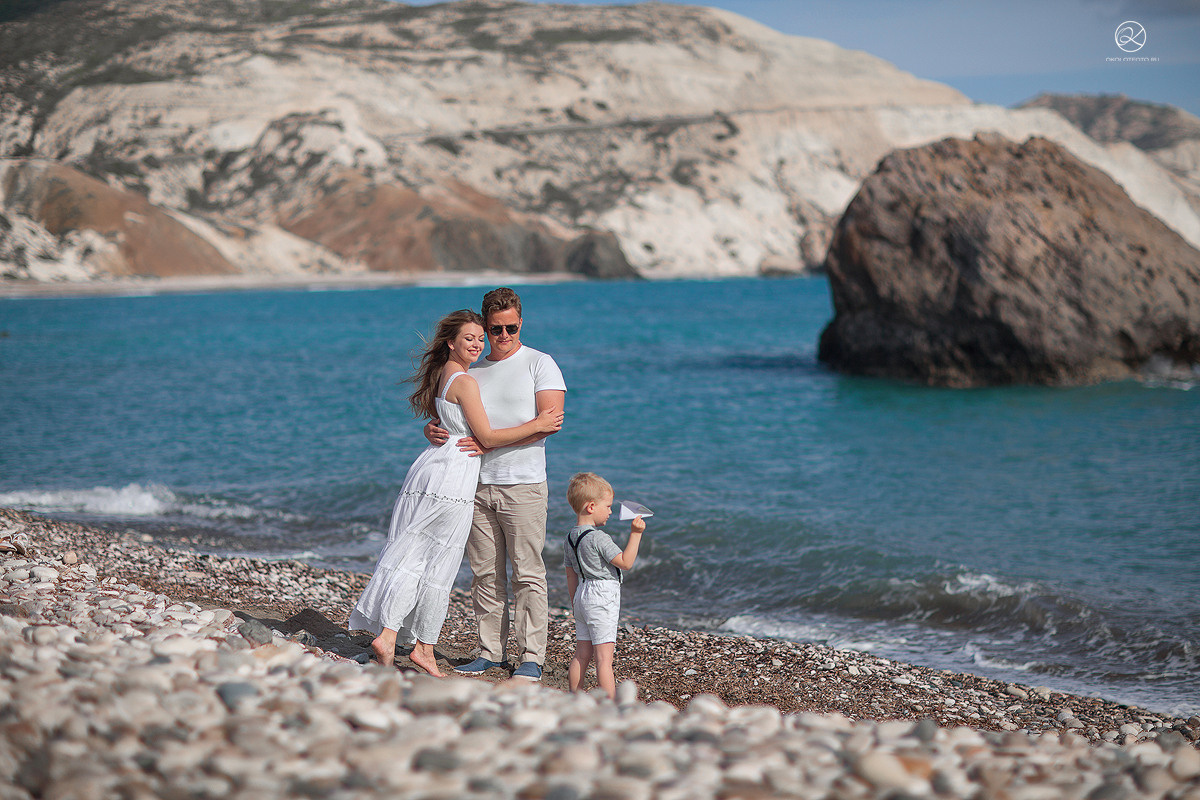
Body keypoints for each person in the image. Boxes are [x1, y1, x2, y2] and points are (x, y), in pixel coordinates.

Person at [349, 310, 563, 677]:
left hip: (445, 471)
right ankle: (424, 648)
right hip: (457, 478)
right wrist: (539, 424)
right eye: (479, 335)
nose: (486, 341)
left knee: (416, 555)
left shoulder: (517, 365)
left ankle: (393, 637)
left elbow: (447, 421)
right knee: (440, 564)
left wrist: (437, 430)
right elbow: (487, 437)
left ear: (521, 325)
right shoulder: (467, 377)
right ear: (451, 342)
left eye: (488, 335)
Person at [425, 287, 566, 682]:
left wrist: (490, 439)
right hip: (473, 483)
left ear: (521, 322)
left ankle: (531, 657)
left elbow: (549, 424)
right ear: (485, 329)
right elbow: (457, 418)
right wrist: (434, 429)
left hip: (523, 484)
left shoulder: (541, 363)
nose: (504, 336)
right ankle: (489, 651)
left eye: (511, 328)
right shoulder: (473, 368)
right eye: (495, 329)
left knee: (527, 573)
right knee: (485, 573)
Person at [563, 472, 646, 699]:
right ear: (591, 507)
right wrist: (636, 534)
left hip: (581, 593)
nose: (610, 511)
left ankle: (575, 698)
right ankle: (609, 706)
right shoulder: (599, 538)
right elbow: (626, 562)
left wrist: (574, 602)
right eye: (607, 506)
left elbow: (570, 574)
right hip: (602, 596)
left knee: (581, 654)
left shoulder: (570, 537)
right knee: (604, 660)